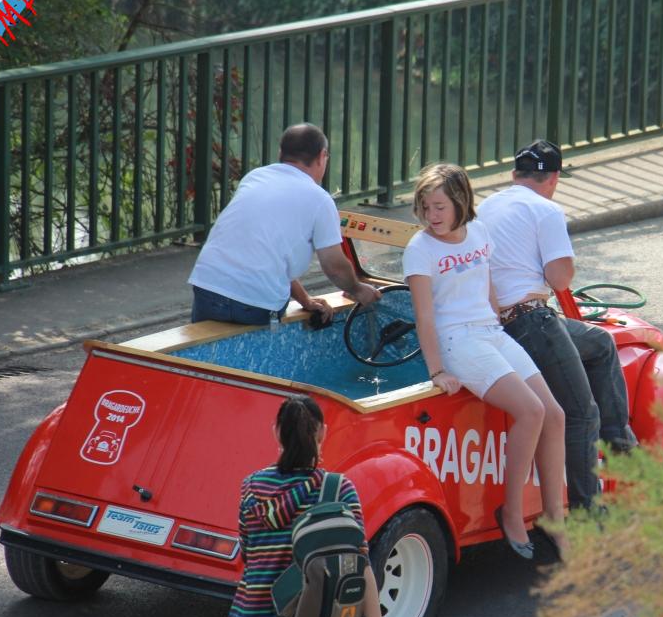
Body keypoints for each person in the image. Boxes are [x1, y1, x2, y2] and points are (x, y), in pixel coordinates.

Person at [403, 162, 567, 561]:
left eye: (439, 206)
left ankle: (554, 517)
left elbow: (487, 285)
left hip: (490, 332)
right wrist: (437, 370)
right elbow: (424, 317)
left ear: (461, 202)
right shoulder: (420, 249)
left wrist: (498, 324)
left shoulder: (478, 232)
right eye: (426, 207)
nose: (431, 215)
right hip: (457, 340)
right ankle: (511, 512)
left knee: (554, 414)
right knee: (530, 411)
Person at [478, 139, 637, 511]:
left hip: (493, 322)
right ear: (554, 178)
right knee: (582, 413)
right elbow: (560, 279)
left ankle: (619, 443)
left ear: (514, 174)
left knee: (599, 343)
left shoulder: (486, 205)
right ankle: (588, 510)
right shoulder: (546, 209)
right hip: (530, 321)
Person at [221, 394, 385, 617]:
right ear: (322, 432)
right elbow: (359, 563)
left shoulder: (252, 488)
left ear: (276, 432)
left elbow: (250, 554)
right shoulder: (338, 489)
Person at [189, 123, 379, 326]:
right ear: (322, 156)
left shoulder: (255, 177)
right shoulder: (319, 199)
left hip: (207, 287)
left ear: (281, 153)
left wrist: (304, 299)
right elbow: (334, 267)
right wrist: (357, 289)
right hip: (255, 304)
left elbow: (264, 254)